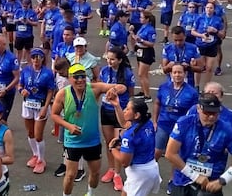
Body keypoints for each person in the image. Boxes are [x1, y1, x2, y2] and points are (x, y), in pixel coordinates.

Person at [50, 63, 127, 196]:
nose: (80, 80)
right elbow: (54, 115)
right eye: (76, 76)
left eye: (82, 76)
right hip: (73, 141)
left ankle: (90, 193)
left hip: (92, 141)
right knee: (70, 176)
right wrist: (69, 126)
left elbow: (122, 87)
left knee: (95, 174)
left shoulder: (94, 88)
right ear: (69, 78)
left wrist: (114, 91)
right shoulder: (63, 94)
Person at [165, 93, 232, 196]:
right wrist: (195, 176)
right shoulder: (184, 123)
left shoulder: (226, 130)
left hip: (210, 184)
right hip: (183, 180)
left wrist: (222, 180)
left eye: (215, 113)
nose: (211, 117)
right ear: (198, 108)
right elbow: (170, 153)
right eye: (207, 113)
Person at [106, 95, 161, 196]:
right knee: (125, 193)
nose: (124, 111)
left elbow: (124, 162)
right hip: (151, 168)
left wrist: (112, 149)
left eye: (127, 109)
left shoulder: (129, 135)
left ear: (136, 115)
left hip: (139, 174)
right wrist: (117, 106)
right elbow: (124, 123)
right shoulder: (147, 123)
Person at [98, 48, 135, 191]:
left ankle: (118, 175)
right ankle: (111, 169)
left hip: (120, 112)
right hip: (105, 110)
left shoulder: (127, 73)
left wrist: (128, 112)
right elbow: (100, 87)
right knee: (108, 142)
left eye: (112, 59)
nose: (109, 61)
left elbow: (131, 95)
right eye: (108, 58)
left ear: (119, 60)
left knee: (117, 144)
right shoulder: (104, 71)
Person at [17, 47, 55, 175]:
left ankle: (41, 159)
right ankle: (35, 155)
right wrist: (21, 90)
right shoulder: (26, 70)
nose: (35, 60)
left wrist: (46, 107)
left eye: (38, 57)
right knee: (30, 133)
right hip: (27, 104)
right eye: (33, 57)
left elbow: (50, 91)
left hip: (40, 106)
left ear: (43, 58)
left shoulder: (48, 73)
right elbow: (20, 85)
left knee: (38, 136)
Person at [154, 63, 199, 164]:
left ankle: (173, 179)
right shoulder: (163, 87)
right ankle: (151, 176)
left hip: (180, 127)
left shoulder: (192, 92)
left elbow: (194, 112)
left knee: (175, 156)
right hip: (164, 124)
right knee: (156, 152)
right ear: (171, 74)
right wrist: (154, 121)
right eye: (174, 72)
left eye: (180, 72)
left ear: (185, 74)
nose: (177, 75)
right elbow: (157, 103)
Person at [131, 11, 157, 100]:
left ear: (147, 19)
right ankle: (143, 91)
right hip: (140, 50)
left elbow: (151, 43)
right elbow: (137, 38)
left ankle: (147, 95)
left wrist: (141, 40)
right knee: (142, 74)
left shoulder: (150, 30)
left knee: (142, 74)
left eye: (142, 17)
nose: (140, 19)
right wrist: (132, 33)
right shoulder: (143, 27)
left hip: (146, 52)